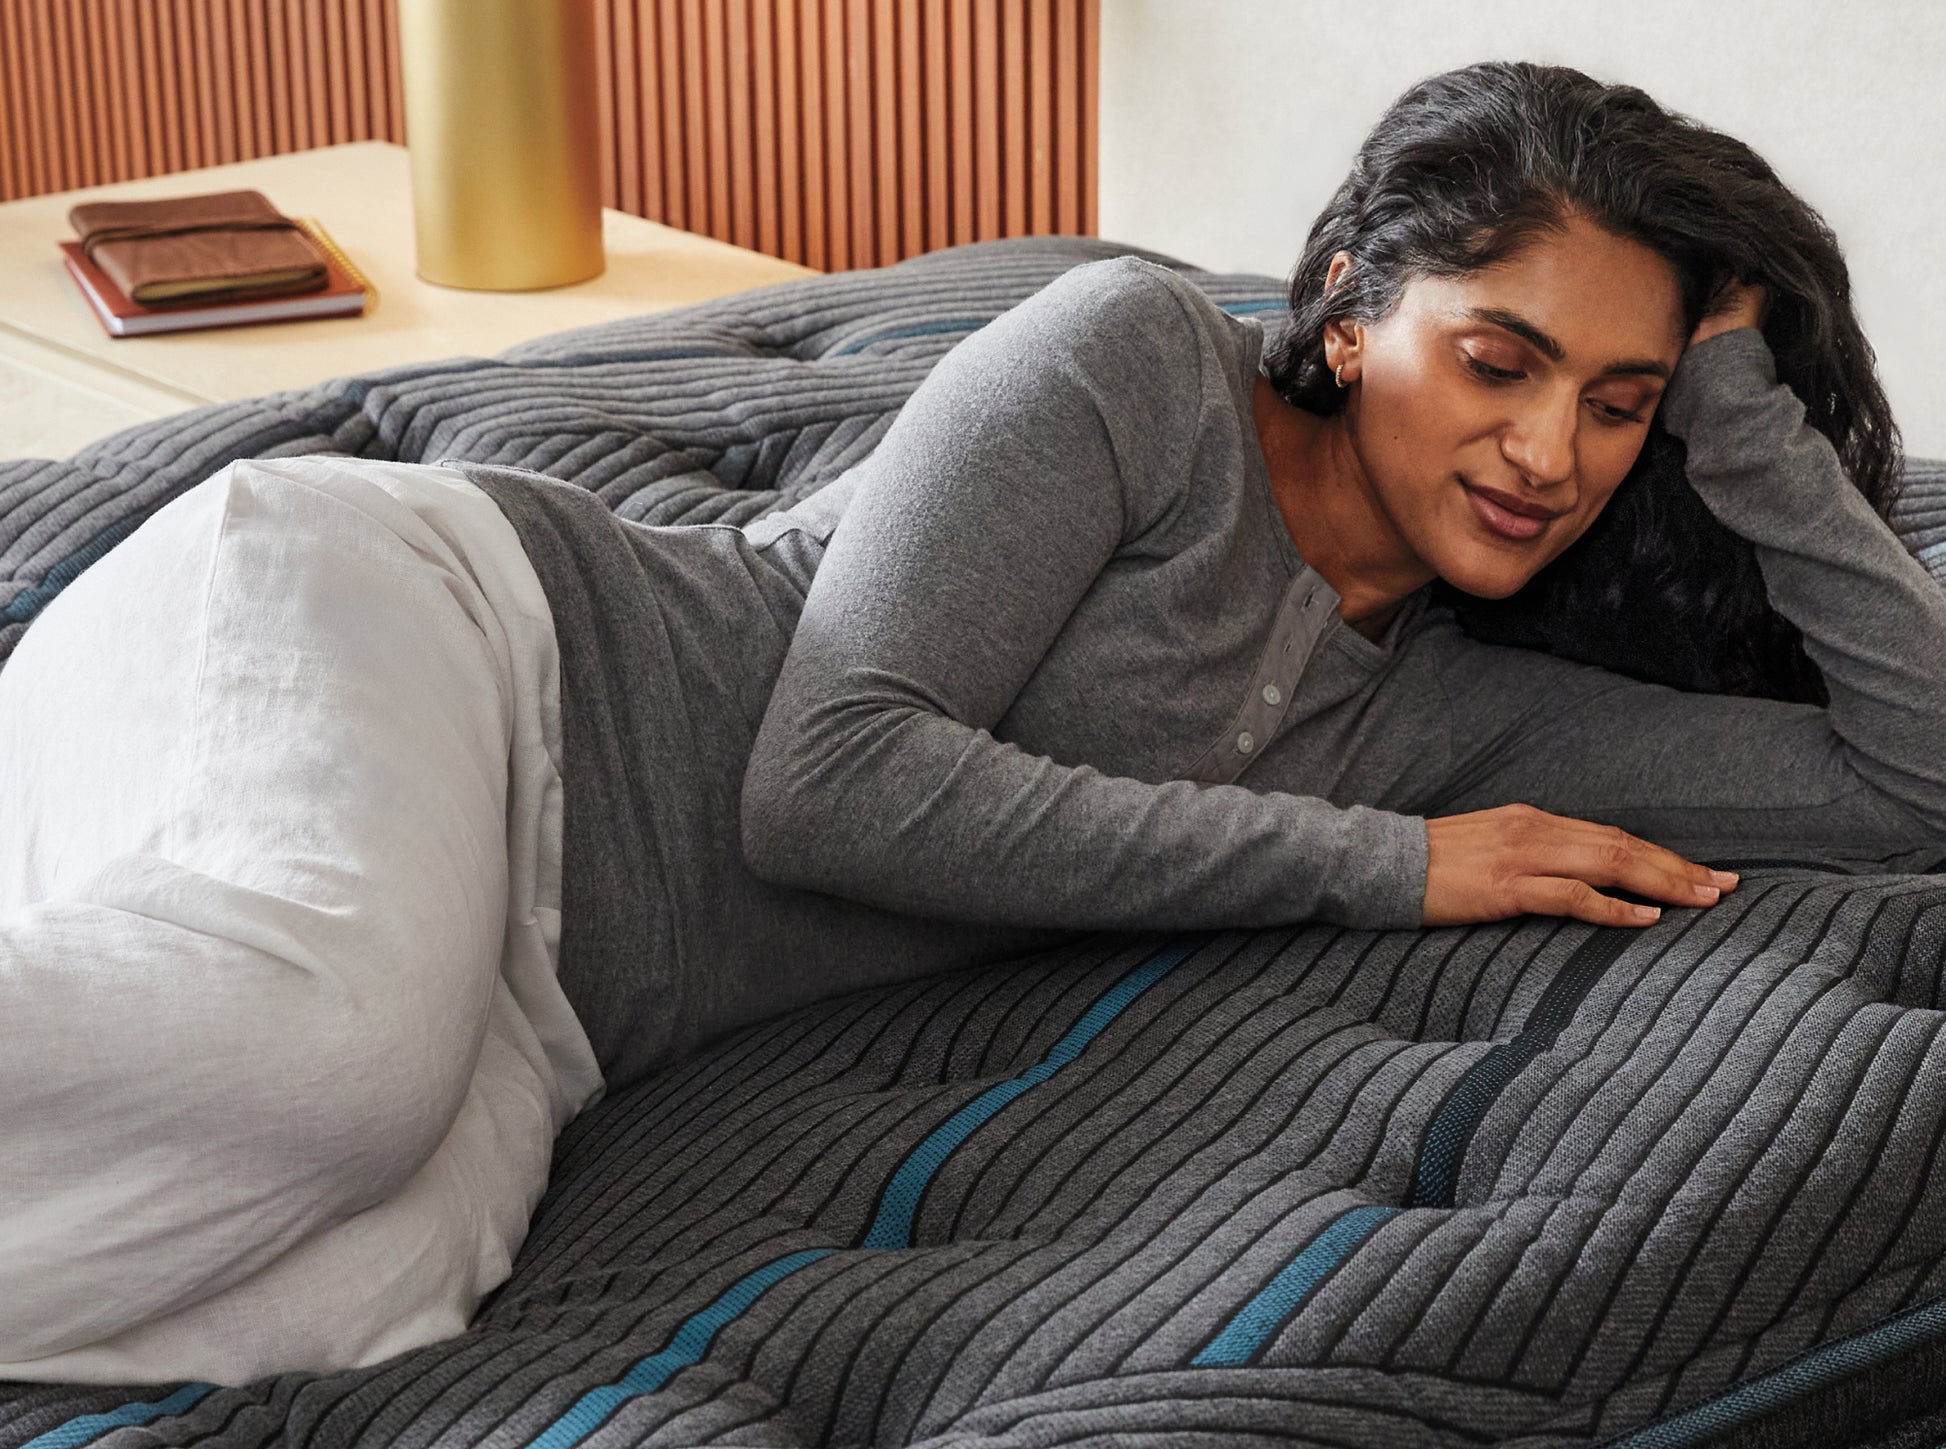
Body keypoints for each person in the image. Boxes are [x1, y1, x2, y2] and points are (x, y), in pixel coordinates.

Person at [2, 60, 1941, 1382]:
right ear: (1350, 309)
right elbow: (830, 785)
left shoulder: (1452, 705)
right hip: (453, 645)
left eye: (1613, 404)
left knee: (362, 1291)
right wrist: (1387, 867)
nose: (1546, 452)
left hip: (553, 1002)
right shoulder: (1136, 360)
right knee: (329, 1066)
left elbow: (1908, 784)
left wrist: (1745, 432)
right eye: (1497, 361)